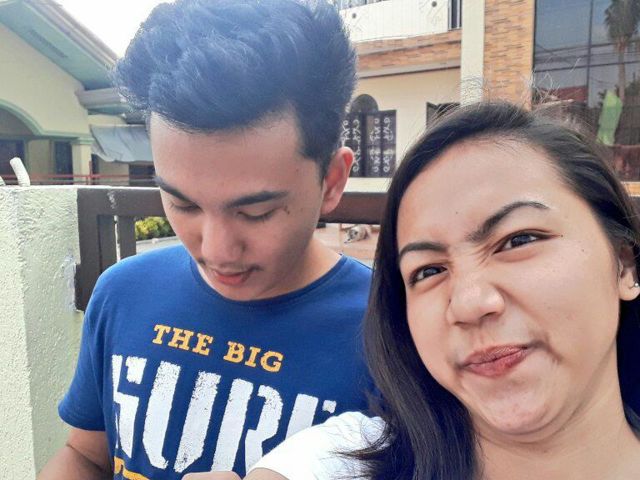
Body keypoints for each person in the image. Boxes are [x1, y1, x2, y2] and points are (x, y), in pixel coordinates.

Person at [38, 1, 373, 478]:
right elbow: (85, 454)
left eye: (255, 212)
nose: (215, 252)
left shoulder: (391, 331)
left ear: (332, 181)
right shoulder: (123, 291)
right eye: (183, 204)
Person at [236, 102, 640, 479]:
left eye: (518, 240)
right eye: (428, 271)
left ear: (624, 266)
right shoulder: (347, 460)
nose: (468, 303)